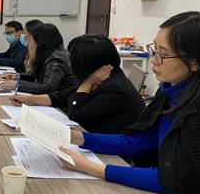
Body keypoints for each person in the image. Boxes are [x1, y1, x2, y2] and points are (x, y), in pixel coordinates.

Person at [60, 12, 200, 194]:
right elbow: (137, 142)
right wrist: (79, 138)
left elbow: (172, 180)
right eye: (154, 49)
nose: (154, 60)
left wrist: (90, 167)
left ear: (195, 62)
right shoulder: (171, 92)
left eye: (163, 54)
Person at [12, 34, 145, 133]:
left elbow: (76, 115)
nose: (70, 64)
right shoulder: (100, 77)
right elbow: (61, 97)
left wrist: (87, 84)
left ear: (88, 63)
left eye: (73, 60)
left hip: (115, 156)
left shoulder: (114, 88)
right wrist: (27, 99)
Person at [1, 23, 78, 95]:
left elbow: (47, 87)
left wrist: (17, 85)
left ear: (40, 43)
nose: (28, 45)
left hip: (61, 103)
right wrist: (17, 76)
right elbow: (35, 76)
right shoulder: (47, 54)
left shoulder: (56, 58)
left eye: (30, 41)